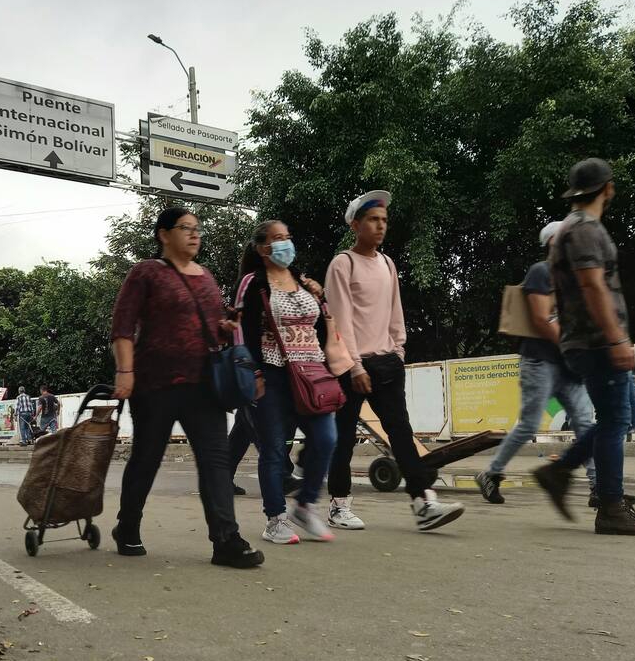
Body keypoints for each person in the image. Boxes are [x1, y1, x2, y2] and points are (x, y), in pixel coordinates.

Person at [110, 205, 264, 568]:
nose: (195, 234)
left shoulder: (206, 277)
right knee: (146, 459)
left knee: (215, 461)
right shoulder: (146, 272)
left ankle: (226, 540)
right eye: (185, 228)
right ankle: (127, 525)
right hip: (154, 385)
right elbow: (122, 325)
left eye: (198, 228)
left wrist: (225, 328)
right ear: (164, 234)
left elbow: (214, 324)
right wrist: (125, 371)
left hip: (203, 386)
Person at [533, 158, 635, 535]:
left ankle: (561, 472)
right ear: (607, 188)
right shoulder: (584, 230)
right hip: (597, 341)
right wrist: (616, 338)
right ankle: (610, 506)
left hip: (591, 340)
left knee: (623, 417)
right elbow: (593, 286)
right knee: (614, 420)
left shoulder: (573, 229)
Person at [325, 190, 464, 531]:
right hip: (350, 367)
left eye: (384, 220)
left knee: (400, 433)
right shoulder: (343, 264)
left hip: (387, 362)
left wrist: (398, 351)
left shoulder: (388, 264)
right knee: (342, 437)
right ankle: (339, 505)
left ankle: (423, 502)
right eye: (373, 220)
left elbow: (394, 314)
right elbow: (340, 321)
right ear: (356, 225)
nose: (380, 226)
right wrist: (355, 366)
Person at [234, 220, 339, 545]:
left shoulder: (303, 281)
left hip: (310, 374)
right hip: (273, 375)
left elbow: (321, 323)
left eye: (288, 238)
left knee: (326, 438)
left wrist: (321, 298)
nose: (285, 244)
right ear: (263, 248)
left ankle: (305, 505)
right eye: (277, 239)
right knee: (274, 449)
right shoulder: (253, 283)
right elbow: (240, 328)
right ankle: (275, 519)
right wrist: (254, 373)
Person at [476, 222, 597, 504]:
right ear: (553, 243)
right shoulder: (541, 272)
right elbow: (542, 320)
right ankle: (491, 474)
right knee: (529, 426)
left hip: (568, 366)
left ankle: (599, 487)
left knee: (585, 424)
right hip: (540, 361)